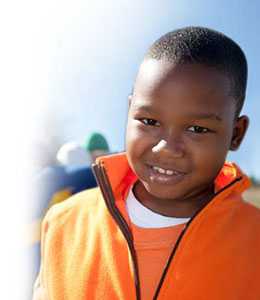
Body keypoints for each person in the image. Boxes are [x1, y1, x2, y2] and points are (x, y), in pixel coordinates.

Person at [33, 27, 260, 300]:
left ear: (236, 134)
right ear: (129, 111)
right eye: (149, 122)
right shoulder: (63, 223)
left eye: (197, 129)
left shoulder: (253, 242)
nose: (166, 149)